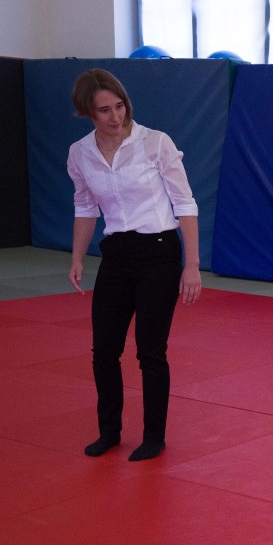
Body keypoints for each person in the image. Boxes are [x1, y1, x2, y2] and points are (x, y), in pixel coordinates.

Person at [67, 69, 202, 461]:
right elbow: (84, 207)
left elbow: (185, 203)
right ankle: (109, 431)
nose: (115, 116)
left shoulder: (155, 143)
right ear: (87, 112)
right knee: (104, 350)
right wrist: (77, 257)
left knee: (150, 351)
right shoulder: (80, 153)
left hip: (159, 252)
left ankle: (154, 437)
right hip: (116, 254)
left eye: (119, 106)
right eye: (104, 110)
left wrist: (192, 265)